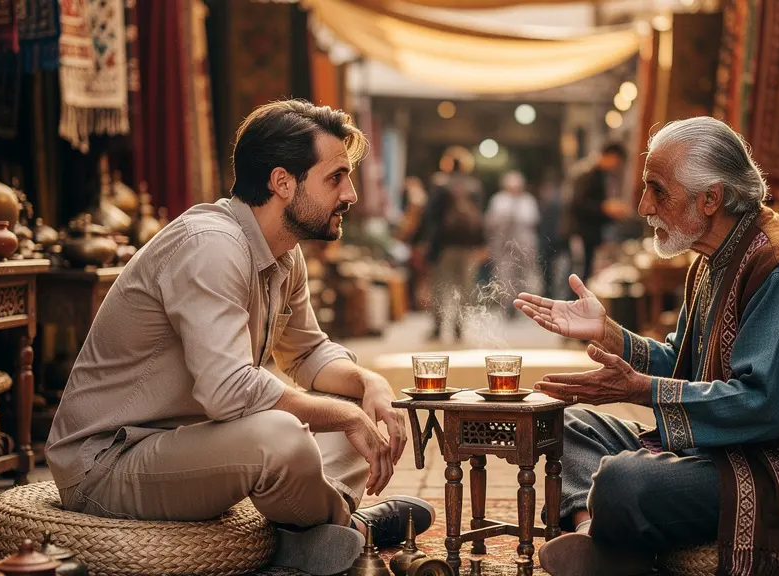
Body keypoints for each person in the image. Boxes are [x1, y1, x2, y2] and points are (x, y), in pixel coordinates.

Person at [45, 100, 434, 576]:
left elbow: (308, 352)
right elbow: (227, 391)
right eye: (335, 178)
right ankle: (351, 525)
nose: (350, 194)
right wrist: (343, 415)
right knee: (283, 436)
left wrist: (369, 385)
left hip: (188, 444)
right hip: (107, 463)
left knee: (353, 413)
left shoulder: (284, 252)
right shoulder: (211, 245)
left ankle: (311, 535)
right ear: (282, 182)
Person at [514, 116, 779, 576]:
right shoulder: (712, 259)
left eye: (657, 190)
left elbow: (764, 405)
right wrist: (608, 333)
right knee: (566, 425)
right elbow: (682, 364)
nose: (643, 207)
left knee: (623, 480)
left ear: (711, 198)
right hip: (726, 450)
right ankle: (595, 532)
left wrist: (639, 390)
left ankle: (608, 540)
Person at [414, 159, 486, 340]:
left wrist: (423, 241)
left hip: (444, 246)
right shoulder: (474, 187)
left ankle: (438, 326)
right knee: (465, 288)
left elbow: (430, 216)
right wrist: (482, 244)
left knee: (440, 286)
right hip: (468, 247)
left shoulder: (441, 185)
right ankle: (459, 326)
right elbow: (480, 218)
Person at [564, 143, 631, 283]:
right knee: (579, 274)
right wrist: (605, 208)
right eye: (617, 161)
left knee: (586, 272)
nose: (617, 166)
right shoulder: (588, 174)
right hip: (581, 233)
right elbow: (578, 204)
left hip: (590, 235)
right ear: (610, 156)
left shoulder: (602, 176)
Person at [484, 170, 540, 317]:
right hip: (503, 245)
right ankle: (508, 304)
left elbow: (532, 220)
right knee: (504, 275)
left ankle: (526, 303)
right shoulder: (498, 200)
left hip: (524, 245)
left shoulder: (528, 200)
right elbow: (491, 221)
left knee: (525, 274)